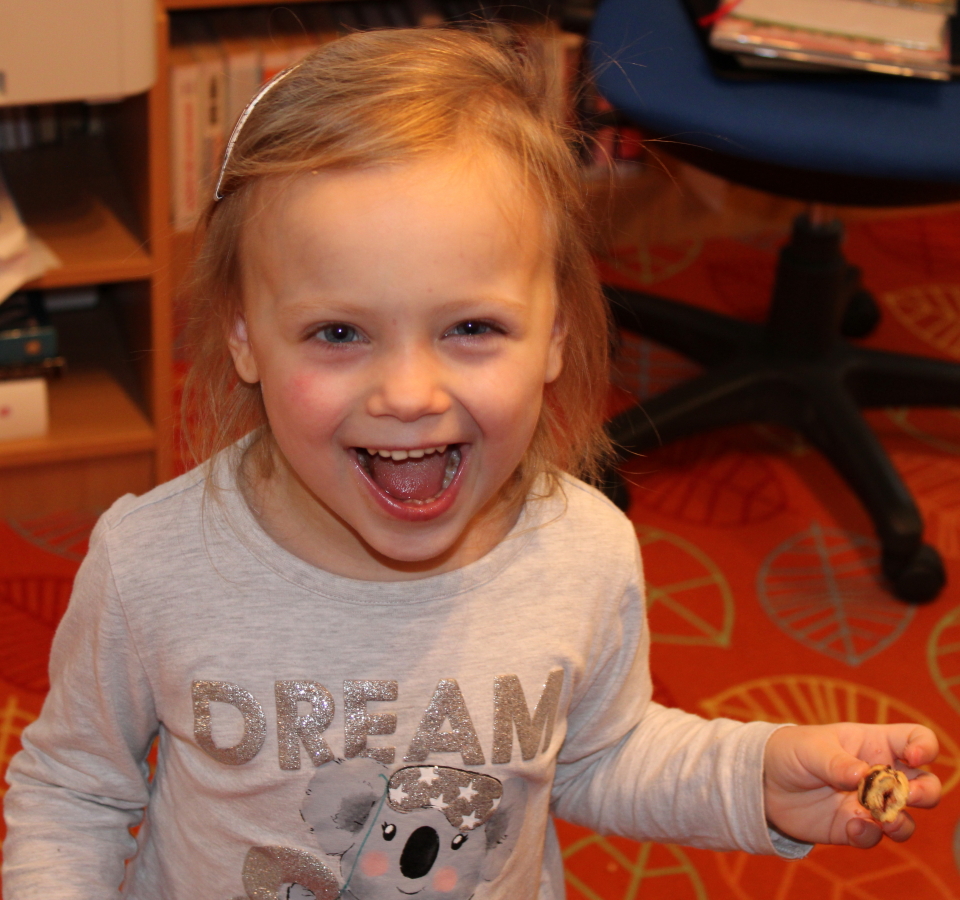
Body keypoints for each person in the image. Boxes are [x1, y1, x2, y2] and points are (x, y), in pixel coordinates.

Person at [2, 26, 940, 900]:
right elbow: (73, 790)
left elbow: (598, 754)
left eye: (472, 328)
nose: (409, 392)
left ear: (556, 334)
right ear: (244, 338)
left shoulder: (582, 550)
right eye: (339, 333)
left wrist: (756, 777)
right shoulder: (153, 563)